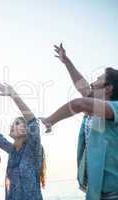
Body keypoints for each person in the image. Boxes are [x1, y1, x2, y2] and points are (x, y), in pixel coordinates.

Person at [41, 44, 118, 200]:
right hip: (95, 193)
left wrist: (50, 120)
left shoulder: (115, 108)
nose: (92, 82)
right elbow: (82, 87)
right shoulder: (94, 108)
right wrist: (66, 61)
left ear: (108, 88)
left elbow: (79, 104)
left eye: (99, 78)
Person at [0, 84, 46, 200]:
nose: (12, 125)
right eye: (13, 123)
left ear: (27, 130)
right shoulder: (12, 151)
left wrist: (13, 95)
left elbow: (33, 122)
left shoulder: (32, 148)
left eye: (17, 123)